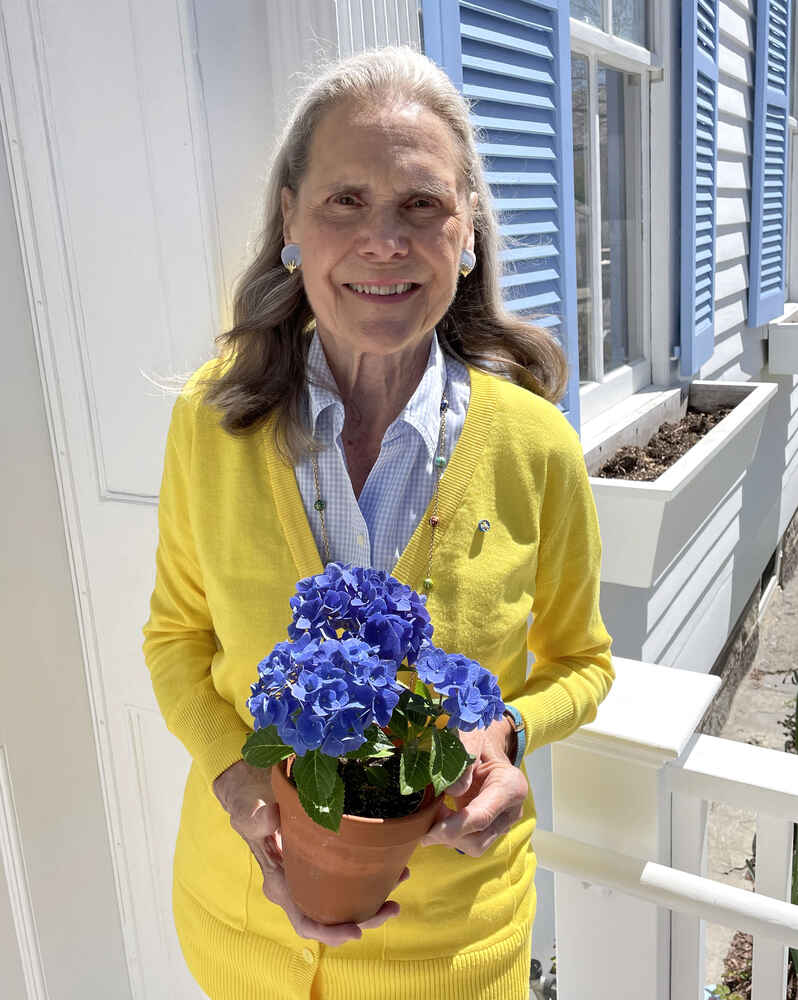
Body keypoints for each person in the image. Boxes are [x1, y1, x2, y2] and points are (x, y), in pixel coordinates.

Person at [142, 44, 614, 1000]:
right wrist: (239, 782)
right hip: (239, 939)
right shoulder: (213, 420)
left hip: (452, 959)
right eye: (344, 202)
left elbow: (586, 664)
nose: (383, 242)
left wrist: (509, 735)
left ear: (469, 229)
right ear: (291, 223)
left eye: (421, 205)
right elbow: (176, 639)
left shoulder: (534, 448)